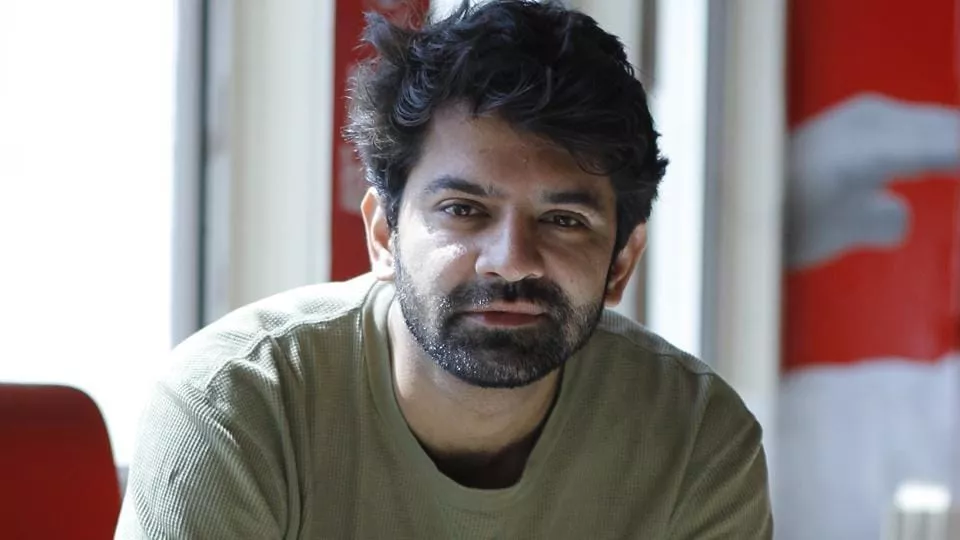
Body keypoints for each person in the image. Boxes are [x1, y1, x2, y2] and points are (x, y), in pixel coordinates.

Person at [115, 1, 772, 538]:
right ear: (384, 235)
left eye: (564, 220)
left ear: (621, 263)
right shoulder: (235, 405)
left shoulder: (695, 439)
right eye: (464, 210)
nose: (510, 260)